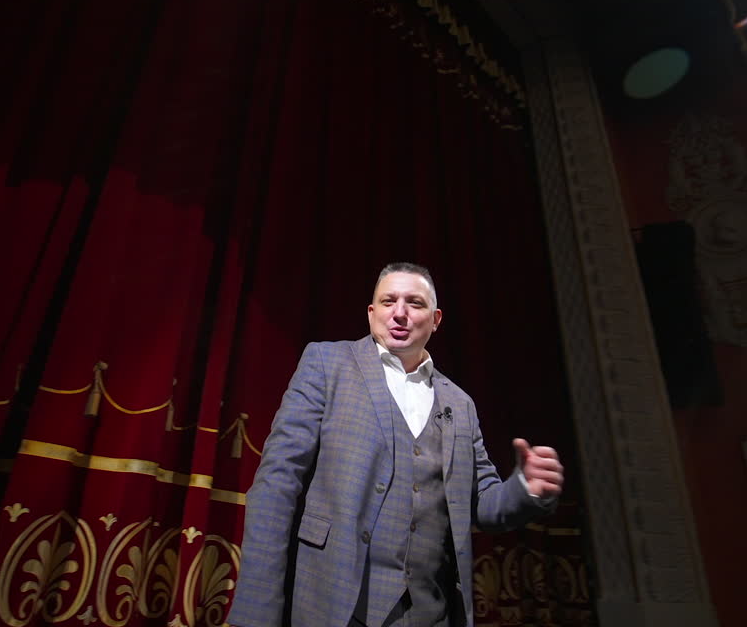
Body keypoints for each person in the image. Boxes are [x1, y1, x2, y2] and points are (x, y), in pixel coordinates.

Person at [229, 263, 564, 627]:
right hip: (333, 606)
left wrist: (525, 489)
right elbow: (277, 484)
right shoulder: (328, 364)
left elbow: (482, 502)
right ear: (372, 313)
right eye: (388, 301)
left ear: (436, 319)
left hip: (430, 612)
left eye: (415, 303)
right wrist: (257, 612)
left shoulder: (460, 404)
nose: (400, 313)